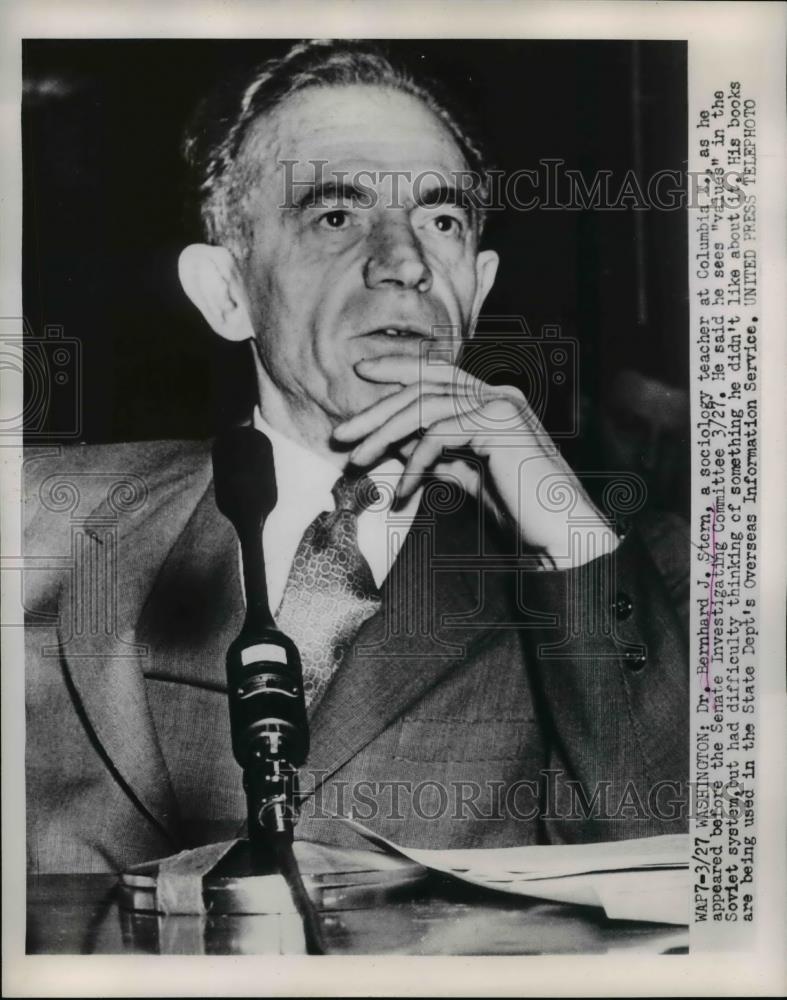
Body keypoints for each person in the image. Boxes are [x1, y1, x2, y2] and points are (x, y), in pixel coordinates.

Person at [25, 40, 689, 874]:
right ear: (227, 292)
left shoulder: (626, 573)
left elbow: (701, 878)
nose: (405, 261)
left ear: (477, 290)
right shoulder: (40, 521)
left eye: (440, 219)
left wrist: (564, 537)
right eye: (335, 215)